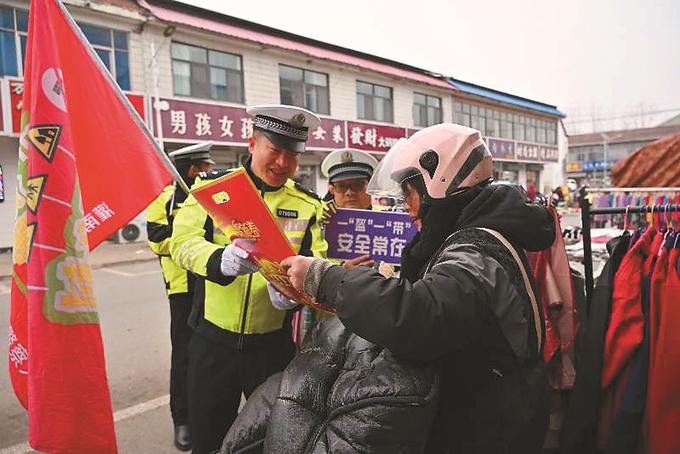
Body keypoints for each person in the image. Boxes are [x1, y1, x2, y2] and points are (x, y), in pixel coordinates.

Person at [280, 124, 555, 453]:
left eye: (410, 192)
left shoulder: (476, 250)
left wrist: (325, 278)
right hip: (486, 410)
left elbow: (418, 316)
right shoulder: (474, 233)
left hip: (492, 425)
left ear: (437, 186)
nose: (408, 207)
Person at [169, 105, 328, 454]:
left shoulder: (306, 204)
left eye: (293, 155)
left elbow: (316, 259)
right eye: (275, 150)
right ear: (253, 143)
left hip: (272, 346)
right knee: (209, 437)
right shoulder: (213, 190)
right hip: (212, 342)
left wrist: (296, 293)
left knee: (268, 439)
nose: (283, 163)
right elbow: (180, 243)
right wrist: (218, 260)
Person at [146, 141, 214, 451]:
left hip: (210, 285)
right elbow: (157, 240)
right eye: (204, 167)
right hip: (182, 290)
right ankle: (182, 419)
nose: (209, 171)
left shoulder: (209, 198)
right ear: (191, 170)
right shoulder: (164, 200)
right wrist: (187, 228)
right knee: (184, 355)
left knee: (210, 355)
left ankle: (206, 413)